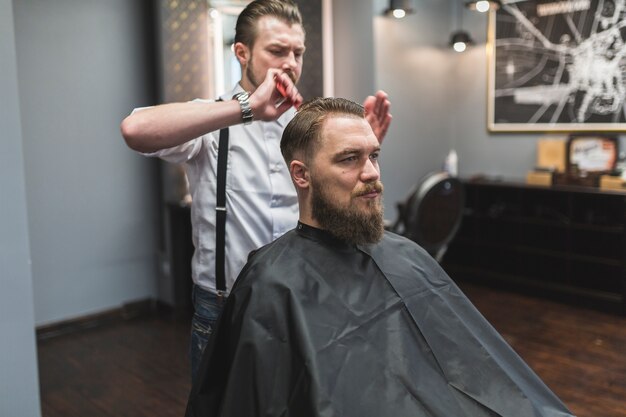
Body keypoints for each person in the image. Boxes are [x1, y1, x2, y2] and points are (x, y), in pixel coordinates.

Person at [185, 97, 575, 417]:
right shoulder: (270, 281)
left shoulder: (405, 253)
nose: (371, 172)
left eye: (374, 156)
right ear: (301, 175)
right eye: (349, 159)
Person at [120, 0, 392, 381]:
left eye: (298, 52)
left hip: (302, 300)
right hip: (225, 308)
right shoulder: (211, 120)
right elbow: (135, 130)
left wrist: (356, 158)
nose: (291, 63)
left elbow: (332, 212)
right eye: (277, 51)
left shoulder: (310, 131)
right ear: (242, 53)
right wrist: (245, 108)